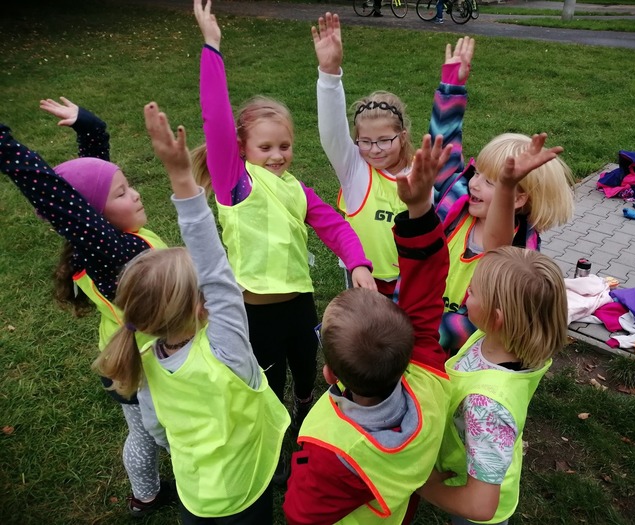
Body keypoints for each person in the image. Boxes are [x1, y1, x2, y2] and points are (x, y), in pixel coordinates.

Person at [95, 102, 289, 524]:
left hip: (196, 495)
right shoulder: (227, 351)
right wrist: (181, 178)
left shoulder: (144, 360)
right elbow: (216, 266)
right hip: (246, 489)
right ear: (203, 305)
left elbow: (157, 429)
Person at [191, 0, 374, 443]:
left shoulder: (297, 188)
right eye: (266, 147)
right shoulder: (235, 181)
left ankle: (305, 405)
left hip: (300, 303)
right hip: (255, 312)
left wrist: (358, 262)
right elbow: (216, 117)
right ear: (241, 148)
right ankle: (275, 437)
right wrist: (212, 47)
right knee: (269, 379)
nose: (277, 156)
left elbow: (335, 226)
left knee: (306, 365)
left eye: (285, 146)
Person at [0, 100, 174, 517]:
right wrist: (5, 147)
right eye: (122, 193)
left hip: (122, 357)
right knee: (158, 435)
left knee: (141, 433)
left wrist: (90, 129)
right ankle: (178, 486)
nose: (135, 193)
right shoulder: (116, 252)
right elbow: (60, 197)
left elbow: (90, 184)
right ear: (93, 218)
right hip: (148, 364)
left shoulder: (103, 243)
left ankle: (145, 495)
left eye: (129, 185)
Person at [283, 134, 454, 525]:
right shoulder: (427, 370)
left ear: (330, 374)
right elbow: (427, 286)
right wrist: (420, 209)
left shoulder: (332, 448)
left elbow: (300, 514)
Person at [429, 37, 574, 354]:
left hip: (463, 351)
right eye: (477, 173)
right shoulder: (457, 201)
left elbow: (497, 255)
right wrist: (451, 86)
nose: (474, 184)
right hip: (420, 329)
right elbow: (444, 146)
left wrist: (426, 329)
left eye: (490, 182)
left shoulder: (519, 251)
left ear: (518, 198)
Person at [418, 246, 569, 524]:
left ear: (497, 317)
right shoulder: (500, 340)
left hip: (471, 503)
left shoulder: (487, 406)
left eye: (473, 292)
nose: (466, 293)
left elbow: (480, 505)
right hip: (478, 457)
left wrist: (427, 488)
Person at [312, 12, 414, 296]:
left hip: (410, 279)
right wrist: (329, 74)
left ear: (403, 136)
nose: (374, 149)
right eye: (365, 141)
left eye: (384, 140)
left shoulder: (420, 172)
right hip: (363, 278)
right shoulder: (355, 167)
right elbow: (332, 132)